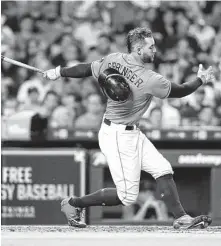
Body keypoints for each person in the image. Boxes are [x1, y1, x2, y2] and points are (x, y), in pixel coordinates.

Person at [43, 27, 214, 229]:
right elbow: (182, 91)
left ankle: (181, 217)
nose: (155, 50)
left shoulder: (114, 59)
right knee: (127, 196)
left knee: (162, 168)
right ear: (139, 49)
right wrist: (201, 79)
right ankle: (73, 204)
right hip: (117, 135)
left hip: (128, 131)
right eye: (151, 46)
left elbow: (86, 68)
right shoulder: (151, 79)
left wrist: (59, 72)